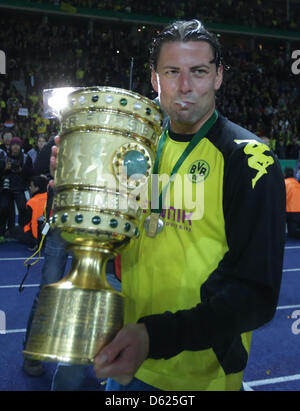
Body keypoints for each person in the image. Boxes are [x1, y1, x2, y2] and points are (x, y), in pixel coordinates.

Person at [52, 20, 286, 391]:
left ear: (219, 77)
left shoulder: (250, 159)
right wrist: (76, 185)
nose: (185, 86)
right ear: (154, 78)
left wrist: (154, 336)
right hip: (129, 358)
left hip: (199, 374)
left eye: (199, 72)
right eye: (172, 72)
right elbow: (109, 237)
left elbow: (256, 296)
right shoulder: (134, 151)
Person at [0, 136, 28, 240]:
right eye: (13, 145)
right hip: (6, 187)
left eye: (17, 145)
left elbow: (29, 172)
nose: (15, 147)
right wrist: (4, 168)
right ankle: (2, 232)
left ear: (20, 146)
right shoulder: (4, 156)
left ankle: (20, 231)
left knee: (22, 208)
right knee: (3, 208)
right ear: (10, 146)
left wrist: (21, 170)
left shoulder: (25, 157)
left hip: (19, 187)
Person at [9, 175, 47, 248]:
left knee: (14, 230)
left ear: (37, 188)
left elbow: (25, 221)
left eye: (31, 186)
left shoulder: (32, 202)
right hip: (49, 234)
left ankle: (34, 242)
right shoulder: (50, 197)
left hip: (36, 235)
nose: (29, 187)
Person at [284, 167, 300, 239]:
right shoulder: (298, 183)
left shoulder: (284, 183)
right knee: (293, 233)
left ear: (284, 174)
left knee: (292, 234)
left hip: (290, 213)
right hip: (298, 213)